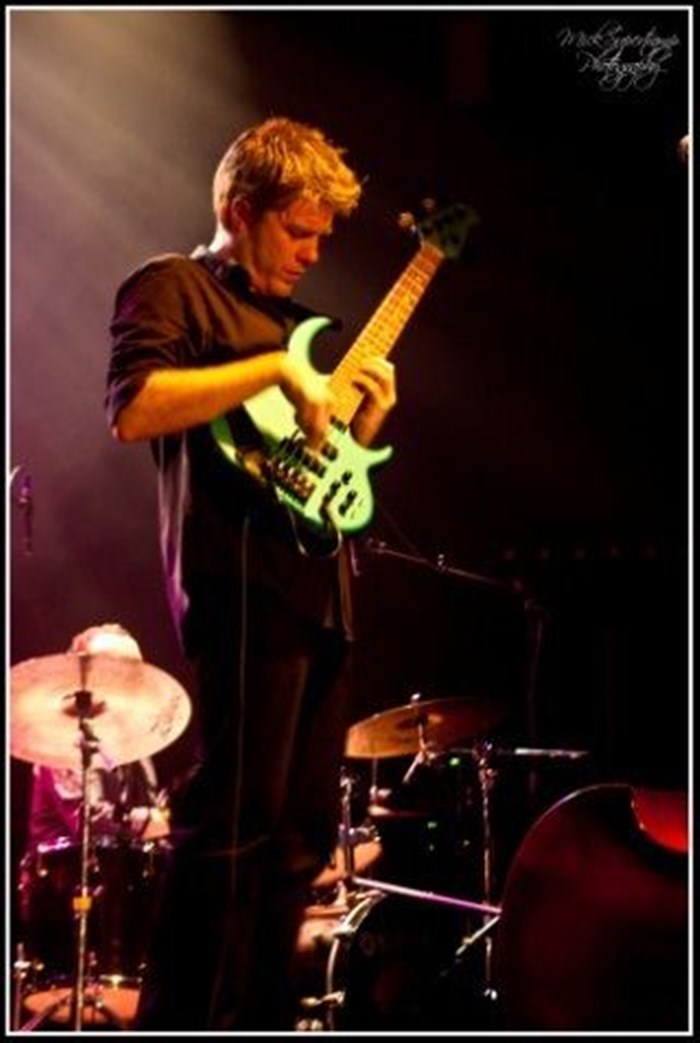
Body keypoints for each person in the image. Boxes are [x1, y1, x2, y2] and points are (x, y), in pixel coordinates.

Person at [105, 116, 397, 1030]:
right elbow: (135, 407)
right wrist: (273, 369)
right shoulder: (174, 286)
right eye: (298, 230)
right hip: (239, 591)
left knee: (301, 840)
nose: (312, 253)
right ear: (239, 210)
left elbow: (316, 468)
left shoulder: (297, 325)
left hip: (322, 599)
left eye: (322, 237)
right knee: (232, 828)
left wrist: (361, 428)